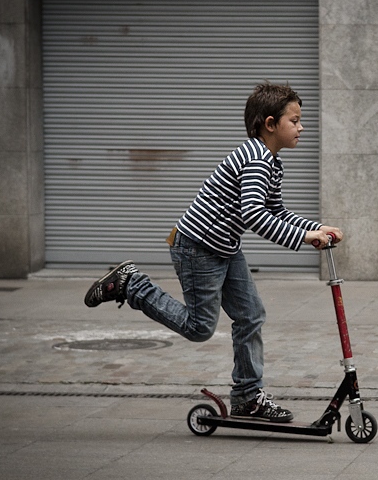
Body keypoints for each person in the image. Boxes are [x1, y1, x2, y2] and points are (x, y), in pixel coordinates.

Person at [84, 83, 342, 422]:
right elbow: (254, 214)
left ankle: (248, 397)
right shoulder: (256, 160)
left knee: (251, 315)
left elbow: (275, 211)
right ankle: (132, 285)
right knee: (199, 327)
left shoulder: (270, 161)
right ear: (269, 123)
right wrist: (304, 238)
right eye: (294, 121)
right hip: (197, 247)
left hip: (223, 247)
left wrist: (315, 227)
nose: (301, 127)